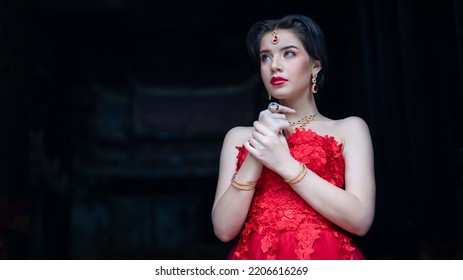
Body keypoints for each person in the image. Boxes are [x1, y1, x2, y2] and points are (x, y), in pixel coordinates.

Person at [211, 14, 376, 260]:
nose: (274, 65)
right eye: (266, 57)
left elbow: (360, 220)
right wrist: (261, 144)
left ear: (315, 66)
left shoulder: (349, 129)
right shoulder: (239, 137)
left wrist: (283, 162)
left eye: (288, 53)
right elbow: (224, 230)